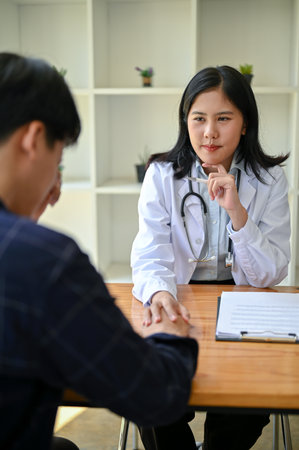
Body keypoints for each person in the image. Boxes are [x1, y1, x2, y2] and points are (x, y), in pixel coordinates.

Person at [0, 52, 199, 450]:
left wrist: (25, 211)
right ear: (35, 139)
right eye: (59, 158)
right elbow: (152, 393)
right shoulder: (48, 264)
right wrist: (172, 336)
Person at [131, 65, 291, 449]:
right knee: (148, 385)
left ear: (245, 124)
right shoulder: (162, 175)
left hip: (245, 303)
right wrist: (158, 293)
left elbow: (271, 273)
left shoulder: (269, 181)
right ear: (185, 121)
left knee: (248, 400)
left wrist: (238, 213)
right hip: (178, 297)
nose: (209, 132)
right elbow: (150, 253)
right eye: (198, 118)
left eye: (224, 118)